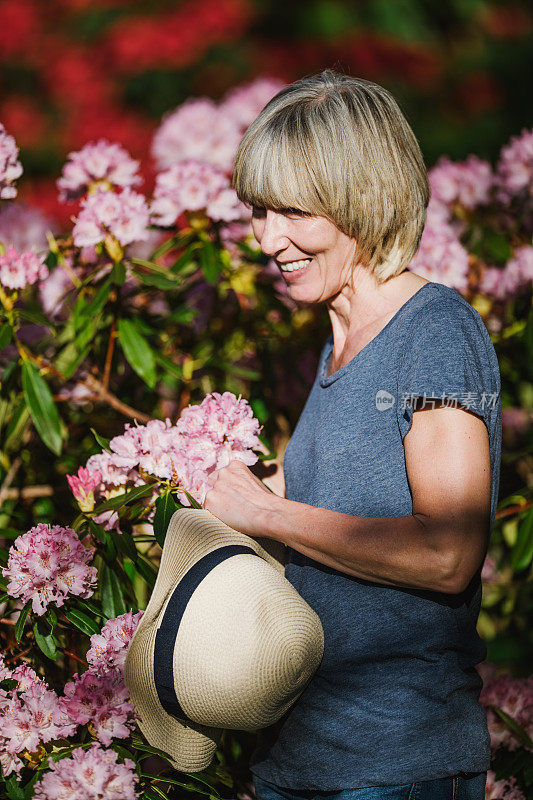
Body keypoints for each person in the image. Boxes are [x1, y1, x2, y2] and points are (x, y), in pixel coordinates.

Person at [202, 69, 501, 800]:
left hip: (393, 766)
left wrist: (267, 512)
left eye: (292, 212)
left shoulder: (433, 333)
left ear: (359, 201)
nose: (266, 239)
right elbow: (347, 512)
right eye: (256, 212)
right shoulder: (338, 342)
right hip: (303, 761)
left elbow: (446, 554)